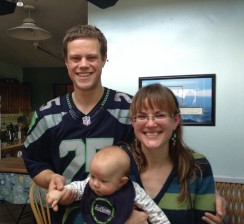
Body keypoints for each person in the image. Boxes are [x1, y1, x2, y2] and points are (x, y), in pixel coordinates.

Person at [23, 24, 226, 224]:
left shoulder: (131, 108)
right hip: (70, 214)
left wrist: (202, 191)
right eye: (75, 58)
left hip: (119, 211)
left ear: (104, 60)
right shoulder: (46, 114)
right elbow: (33, 161)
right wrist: (51, 179)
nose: (83, 64)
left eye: (92, 57)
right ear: (66, 62)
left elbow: (162, 147)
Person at [121, 83, 216, 223]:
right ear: (133, 122)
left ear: (175, 121)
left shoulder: (197, 165)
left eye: (159, 115)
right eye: (142, 116)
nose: (151, 124)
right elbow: (92, 214)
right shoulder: (118, 162)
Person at [46, 145, 170, 224]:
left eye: (103, 181)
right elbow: (75, 188)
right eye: (93, 176)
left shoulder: (133, 191)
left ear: (122, 181)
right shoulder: (90, 184)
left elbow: (155, 213)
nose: (95, 184)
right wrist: (59, 193)